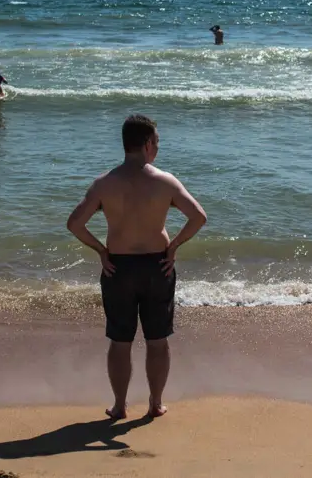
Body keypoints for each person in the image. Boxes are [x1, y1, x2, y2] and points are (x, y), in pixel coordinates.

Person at [66, 114, 207, 420]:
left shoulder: (104, 183)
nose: (157, 148)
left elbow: (74, 224)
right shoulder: (165, 181)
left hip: (118, 269)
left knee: (120, 342)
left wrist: (101, 251)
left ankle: (119, 406)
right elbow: (198, 217)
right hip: (159, 266)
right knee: (157, 341)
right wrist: (174, 247)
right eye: (156, 142)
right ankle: (155, 404)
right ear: (146, 144)